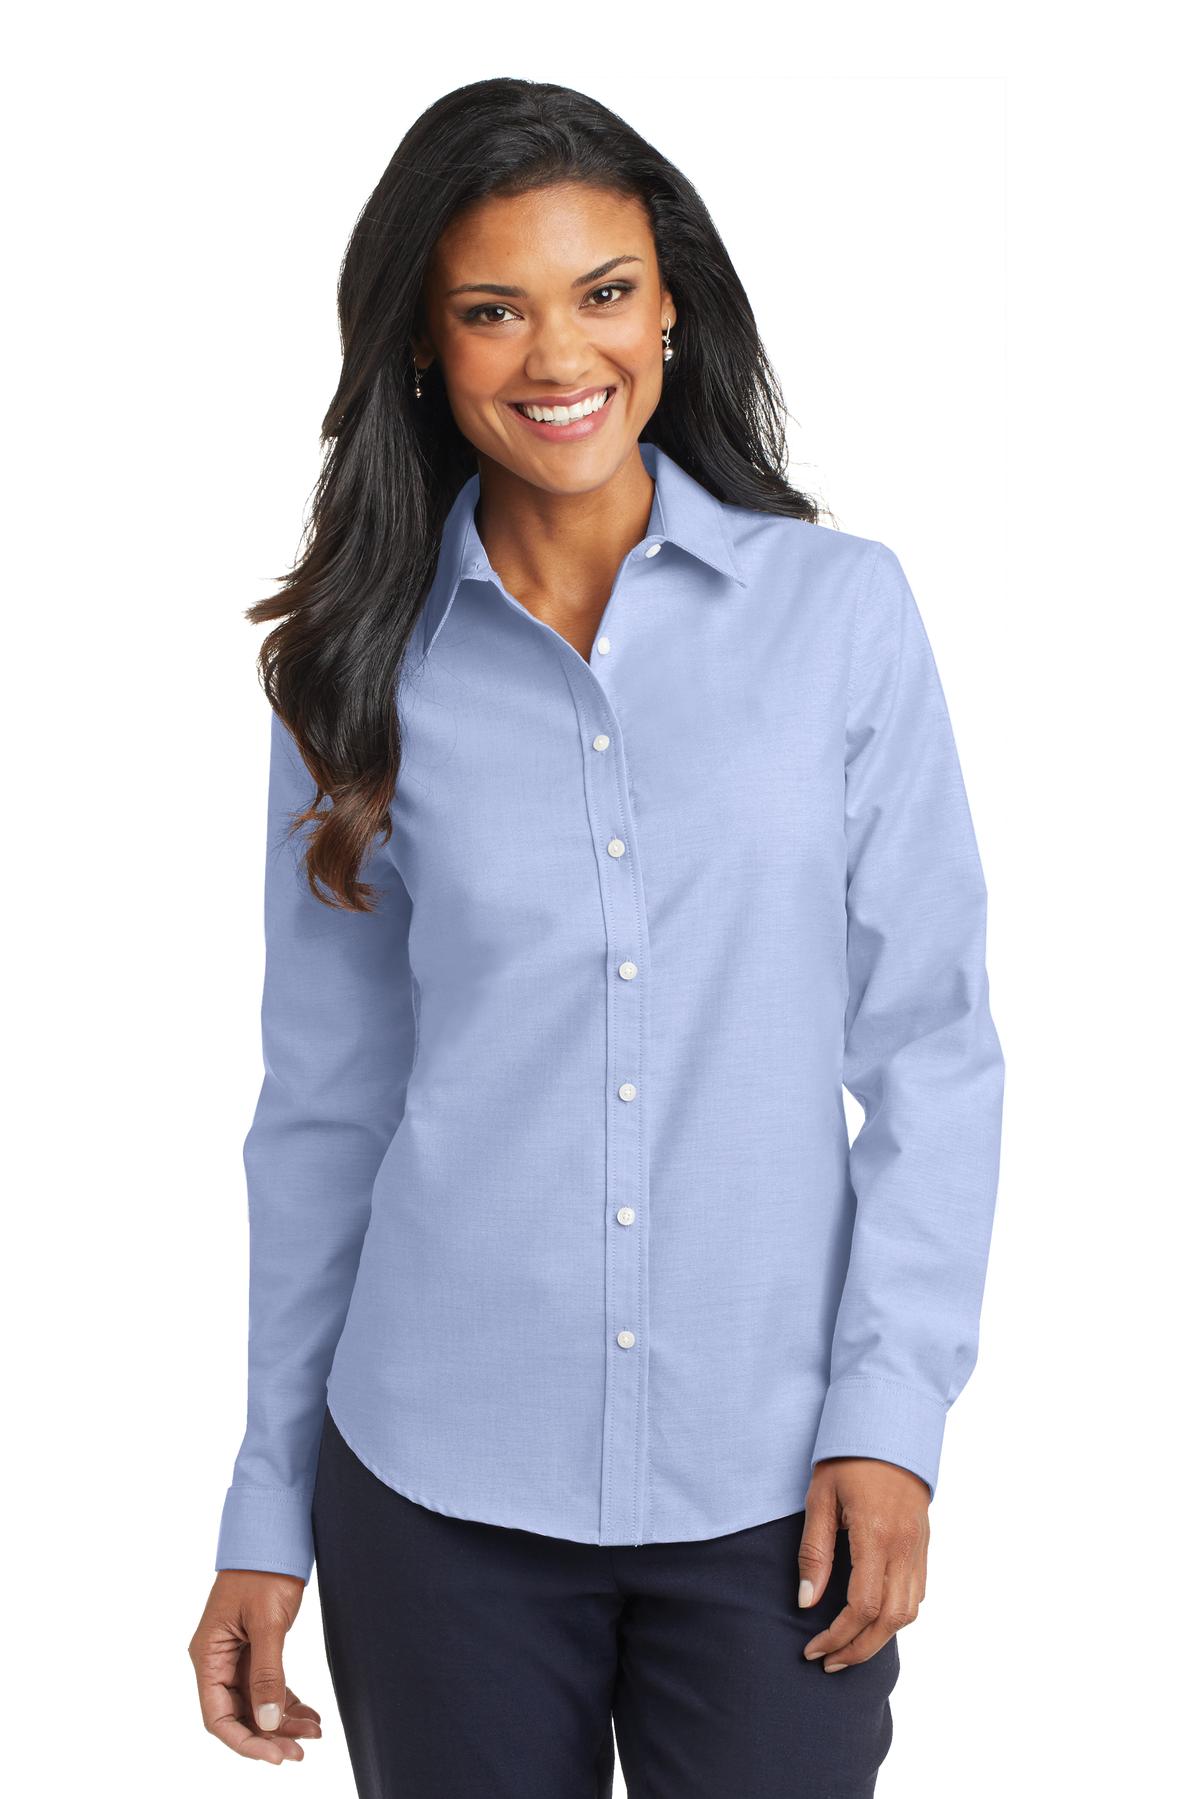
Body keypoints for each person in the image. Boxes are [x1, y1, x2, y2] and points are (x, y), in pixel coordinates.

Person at [188, 77, 1005, 1799]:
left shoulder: (840, 615)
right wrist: (266, 1504)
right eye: (493, 309)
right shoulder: (351, 670)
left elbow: (932, 1050)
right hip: (435, 1488)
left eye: (605, 291)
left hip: (777, 1487)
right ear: (424, 345)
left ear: (672, 306)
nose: (560, 354)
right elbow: (327, 1108)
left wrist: (892, 1423)